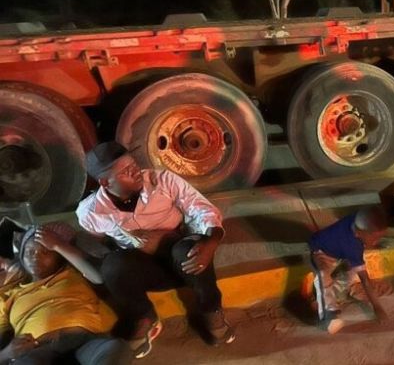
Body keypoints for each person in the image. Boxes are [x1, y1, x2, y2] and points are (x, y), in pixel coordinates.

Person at [75, 141, 234, 359]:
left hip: (182, 260)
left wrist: (211, 242)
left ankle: (211, 310)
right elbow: (93, 241)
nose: (136, 171)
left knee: (190, 249)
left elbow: (201, 208)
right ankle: (144, 316)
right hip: (147, 269)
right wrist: (124, 251)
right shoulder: (92, 211)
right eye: (126, 171)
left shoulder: (162, 180)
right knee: (113, 265)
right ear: (105, 182)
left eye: (133, 164)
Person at [0, 222, 132, 365]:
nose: (35, 257)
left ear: (59, 257)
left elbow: (98, 277)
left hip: (85, 339)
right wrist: (5, 353)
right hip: (38, 348)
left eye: (45, 252)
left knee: (117, 349)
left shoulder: (72, 272)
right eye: (29, 252)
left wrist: (58, 245)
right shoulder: (9, 295)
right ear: (21, 256)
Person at [308, 206, 388, 334]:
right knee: (323, 277)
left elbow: (370, 220)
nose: (376, 241)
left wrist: (371, 241)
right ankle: (328, 314)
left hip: (339, 251)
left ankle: (337, 292)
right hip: (321, 252)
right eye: (374, 238)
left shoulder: (358, 221)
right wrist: (377, 308)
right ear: (359, 233)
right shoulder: (352, 246)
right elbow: (365, 281)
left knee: (352, 273)